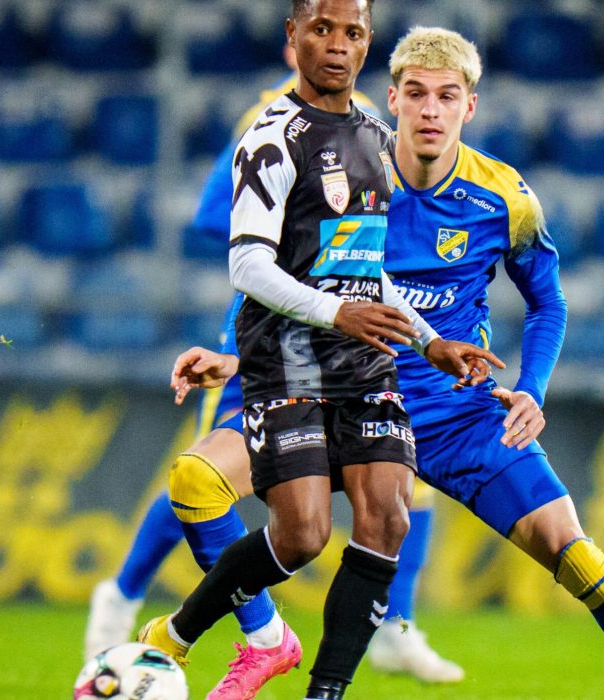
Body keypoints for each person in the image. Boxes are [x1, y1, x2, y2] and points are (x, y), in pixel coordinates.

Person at [164, 25, 604, 700]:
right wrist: (235, 358)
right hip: (346, 397)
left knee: (577, 555)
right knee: (197, 481)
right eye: (416, 94)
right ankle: (254, 641)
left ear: (469, 107)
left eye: (447, 96)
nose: (430, 110)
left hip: (457, 414)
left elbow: (549, 302)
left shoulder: (505, 198)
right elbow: (309, 283)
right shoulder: (348, 172)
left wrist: (532, 388)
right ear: (391, 99)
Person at [135, 4, 501, 700]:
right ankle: (175, 635)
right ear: (293, 39)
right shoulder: (271, 137)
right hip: (290, 361)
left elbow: (364, 263)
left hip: (363, 362)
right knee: (301, 536)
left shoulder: (373, 136)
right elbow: (247, 266)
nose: (337, 45)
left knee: (389, 512)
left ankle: (324, 691)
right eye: (322, 30)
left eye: (352, 33)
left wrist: (430, 341)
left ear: (367, 47)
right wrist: (340, 311)